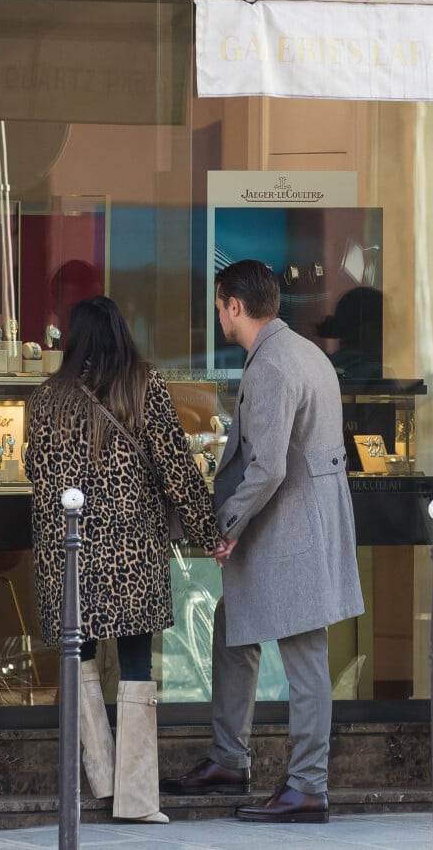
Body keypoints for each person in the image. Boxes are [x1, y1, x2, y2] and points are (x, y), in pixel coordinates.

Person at [160, 259, 364, 824]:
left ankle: (307, 788)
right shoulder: (303, 352)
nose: (219, 314)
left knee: (304, 657)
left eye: (220, 304)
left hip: (288, 530)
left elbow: (268, 466)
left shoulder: (273, 363)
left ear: (233, 305)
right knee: (233, 630)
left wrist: (226, 528)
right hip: (298, 526)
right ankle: (229, 759)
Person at [25, 295, 223, 824]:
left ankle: (100, 783)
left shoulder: (46, 397)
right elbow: (176, 467)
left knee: (81, 661)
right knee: (136, 668)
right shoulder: (142, 385)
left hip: (68, 553)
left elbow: (33, 468)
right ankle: (137, 799)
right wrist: (210, 533)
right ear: (121, 332)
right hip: (131, 549)